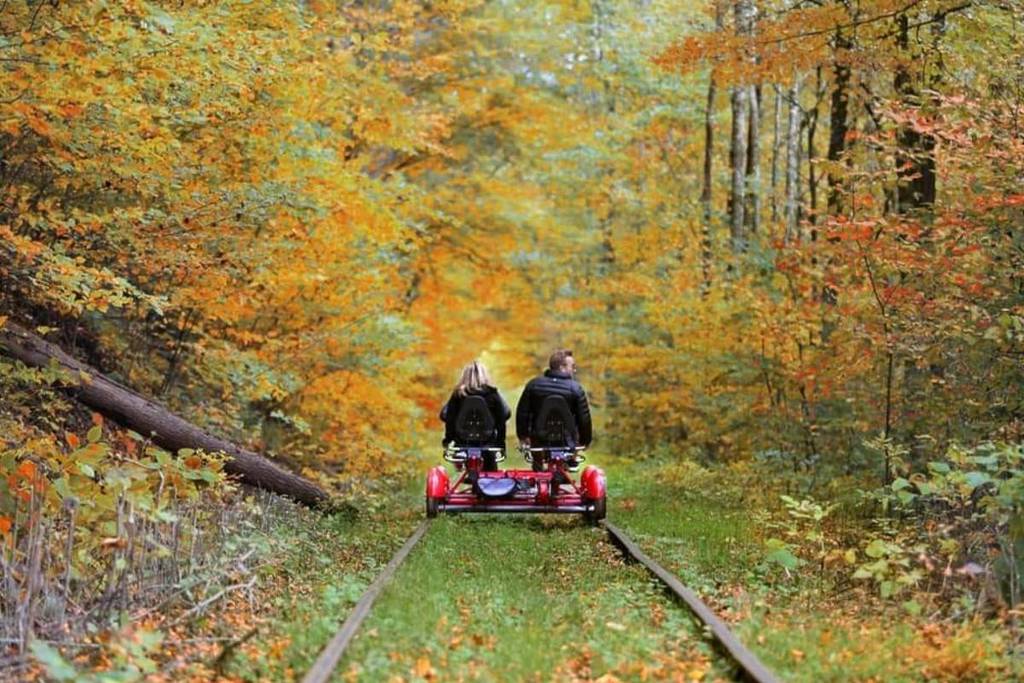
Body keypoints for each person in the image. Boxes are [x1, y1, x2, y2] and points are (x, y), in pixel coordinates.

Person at [515, 349, 592, 451]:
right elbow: (584, 418)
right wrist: (585, 441)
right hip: (568, 441)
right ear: (562, 367)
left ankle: (538, 460)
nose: (574, 370)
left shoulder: (533, 385)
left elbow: (522, 413)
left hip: (538, 440)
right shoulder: (575, 388)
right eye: (572, 367)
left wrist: (523, 436)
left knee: (538, 458)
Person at [440, 360, 511, 471]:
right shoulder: (492, 394)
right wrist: (500, 444)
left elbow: (449, 418)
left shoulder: (458, 395)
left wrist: (448, 440)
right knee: (491, 473)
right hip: (487, 443)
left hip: (462, 442)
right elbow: (502, 418)